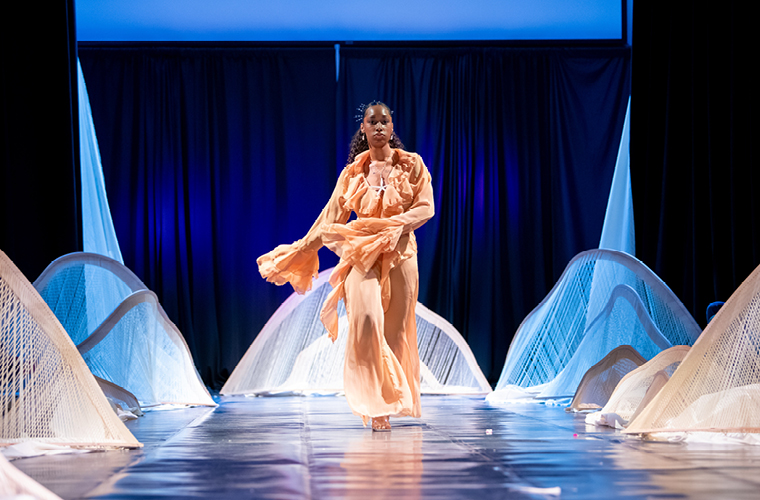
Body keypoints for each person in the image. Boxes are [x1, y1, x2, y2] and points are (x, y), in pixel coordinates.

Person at [257, 101, 435, 431]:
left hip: (400, 255)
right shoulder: (353, 173)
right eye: (373, 122)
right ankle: (375, 404)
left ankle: (387, 401)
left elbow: (426, 208)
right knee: (366, 319)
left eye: (385, 121)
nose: (380, 126)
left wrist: (396, 225)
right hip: (361, 253)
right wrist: (299, 251)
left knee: (395, 334)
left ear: (392, 128)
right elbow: (330, 219)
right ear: (363, 129)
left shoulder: (412, 165)